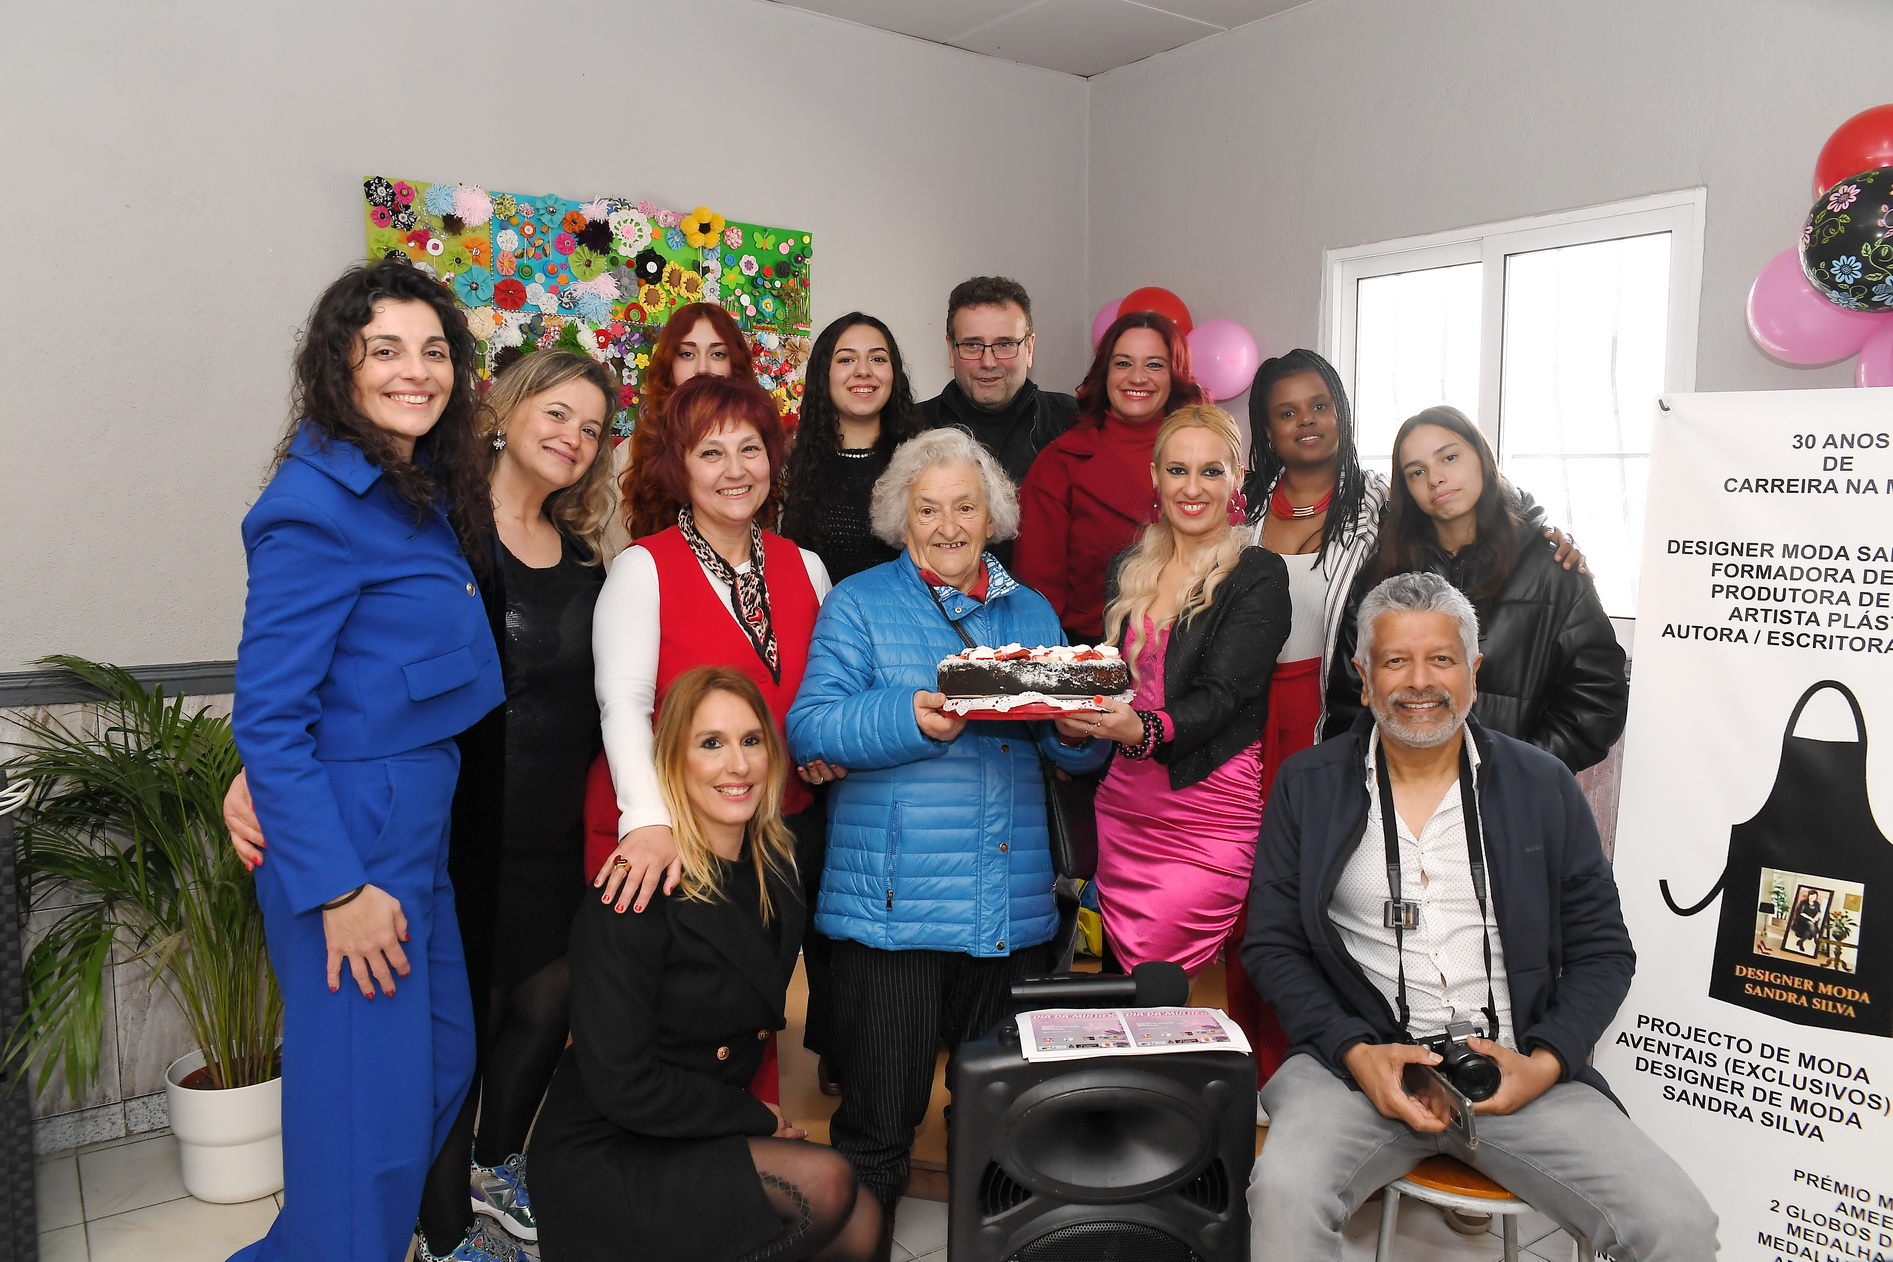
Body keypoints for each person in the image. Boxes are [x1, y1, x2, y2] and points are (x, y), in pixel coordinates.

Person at [226, 348, 618, 1261]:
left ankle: (468, 1191)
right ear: (504, 413)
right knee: (390, 1077)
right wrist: (255, 772)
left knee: (455, 1054)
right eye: (557, 412)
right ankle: (437, 1233)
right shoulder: (428, 519)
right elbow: (303, 675)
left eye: (594, 428)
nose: (574, 437)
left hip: (527, 827)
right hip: (428, 831)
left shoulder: (578, 555)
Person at [1243, 572, 1717, 1261]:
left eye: (1441, 659)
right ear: (1363, 678)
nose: (1419, 682)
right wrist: (1354, 1051)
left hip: (1514, 1066)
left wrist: (1546, 1063)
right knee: (1284, 1196)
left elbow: (1604, 952)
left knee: (1677, 1226)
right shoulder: (1308, 785)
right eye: (1395, 661)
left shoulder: (1541, 784)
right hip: (1357, 1071)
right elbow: (1272, 945)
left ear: (1474, 672)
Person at [229, 259, 505, 1262]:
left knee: (437, 1067)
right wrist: (337, 888)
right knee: (364, 1120)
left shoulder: (408, 486)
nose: (415, 370)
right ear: (337, 365)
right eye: (385, 349)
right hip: (353, 836)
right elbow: (270, 715)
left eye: (433, 350)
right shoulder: (313, 504)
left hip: (412, 822)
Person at [786, 427, 1108, 1217]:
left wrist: (1075, 735)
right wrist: (909, 716)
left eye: (965, 506)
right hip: (893, 912)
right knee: (876, 1131)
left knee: (1001, 1129)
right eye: (927, 509)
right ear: (901, 517)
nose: (947, 526)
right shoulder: (859, 603)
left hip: (1010, 907)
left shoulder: (1031, 610)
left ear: (991, 516)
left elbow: (1063, 749)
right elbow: (811, 728)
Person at [531, 666, 882, 1262]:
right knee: (826, 1184)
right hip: (610, 1149)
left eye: (751, 741)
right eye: (711, 743)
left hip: (692, 1127)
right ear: (672, 761)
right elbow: (622, 1084)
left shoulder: (777, 869)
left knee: (863, 1215)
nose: (738, 765)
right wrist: (753, 1117)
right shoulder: (634, 889)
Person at [1053, 405, 1289, 1070]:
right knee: (1112, 988)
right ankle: (1124, 1104)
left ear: (1235, 478)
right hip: (1123, 804)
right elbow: (1110, 679)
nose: (1193, 487)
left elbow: (1225, 696)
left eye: (1210, 471)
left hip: (1206, 808)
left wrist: (1143, 727)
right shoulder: (1128, 569)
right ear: (1155, 476)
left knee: (1156, 979)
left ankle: (1161, 1109)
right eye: (1178, 470)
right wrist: (1077, 717)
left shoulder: (1257, 573)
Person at [1325, 406, 1627, 773]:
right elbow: (1349, 699)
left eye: (1449, 458)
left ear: (1482, 458)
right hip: (1400, 791)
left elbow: (1597, 699)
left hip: (1515, 794)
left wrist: (1519, 771)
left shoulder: (1553, 570)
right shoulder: (1382, 574)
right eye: (1417, 472)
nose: (1435, 479)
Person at [1013, 310, 1207, 644]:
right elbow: (1037, 600)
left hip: (1197, 649)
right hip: (1095, 655)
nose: (1138, 377)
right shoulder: (1061, 463)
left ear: (1174, 375)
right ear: (1105, 372)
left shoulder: (1207, 453)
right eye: (1123, 363)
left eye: (1154, 364)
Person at [780, 312, 919, 583]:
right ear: (823, 374)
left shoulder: (923, 463)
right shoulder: (788, 468)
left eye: (878, 359)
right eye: (846, 360)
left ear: (894, 373)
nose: (863, 371)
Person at [611, 302, 754, 549]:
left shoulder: (759, 448)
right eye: (687, 354)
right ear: (669, 365)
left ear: (735, 365)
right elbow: (613, 550)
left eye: (718, 354)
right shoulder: (630, 455)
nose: (702, 369)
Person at [915, 275, 1079, 489]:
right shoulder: (912, 426)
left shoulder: (1073, 421)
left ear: (1029, 349)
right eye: (972, 345)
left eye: (1005, 344)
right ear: (951, 350)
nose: (988, 362)